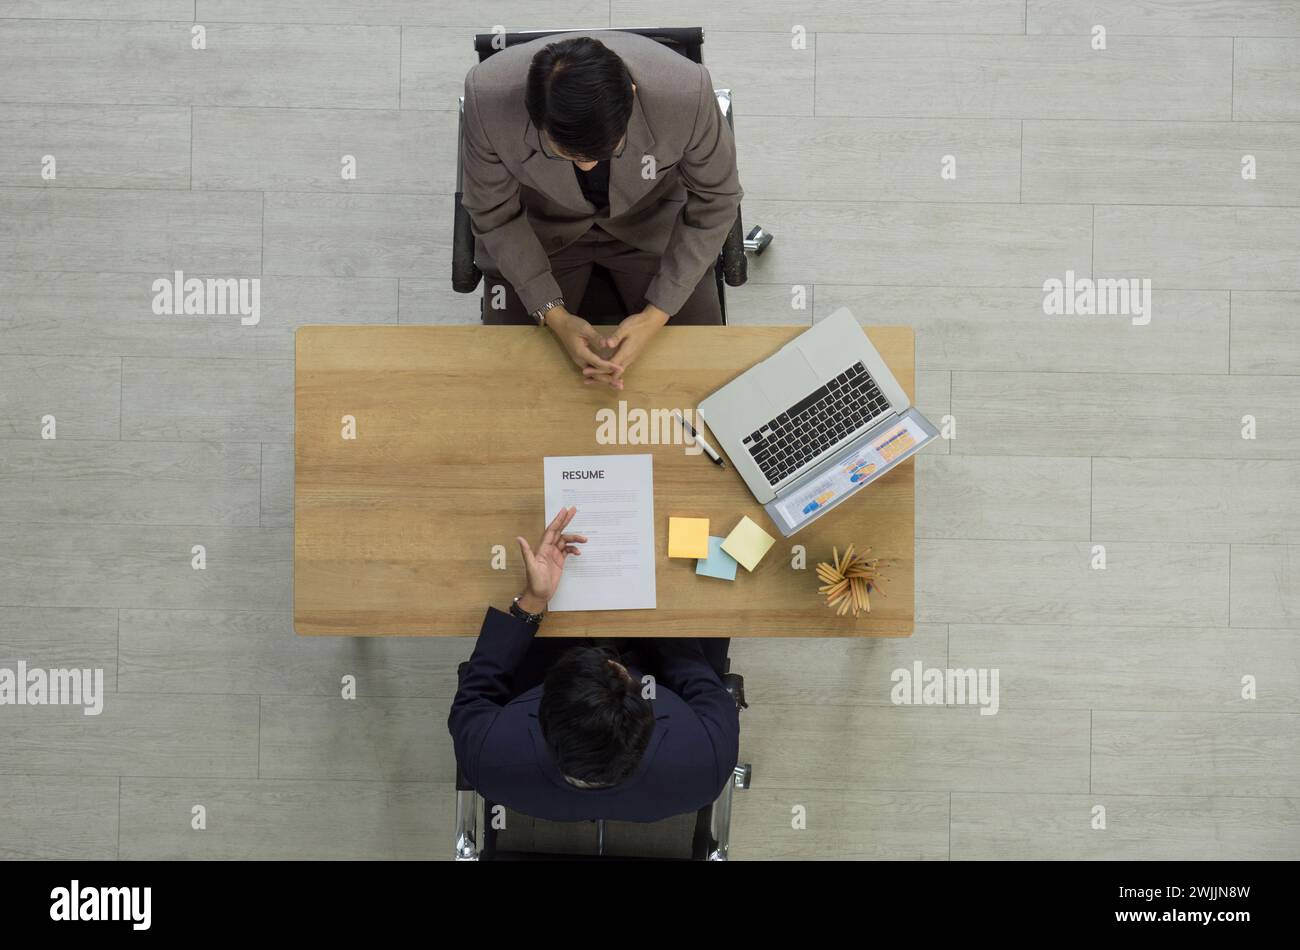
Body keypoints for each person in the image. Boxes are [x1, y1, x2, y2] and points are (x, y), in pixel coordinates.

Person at [460, 31, 744, 391]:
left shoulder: (688, 91)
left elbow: (717, 197)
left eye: (603, 151)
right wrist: (555, 314)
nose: (588, 167)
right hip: (541, 232)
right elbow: (493, 210)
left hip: (652, 228)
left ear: (633, 97)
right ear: (535, 118)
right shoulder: (487, 96)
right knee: (511, 386)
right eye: (569, 156)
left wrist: (656, 315)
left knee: (701, 377)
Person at [448, 507, 740, 822]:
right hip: (662, 662)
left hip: (548, 662)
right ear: (648, 715)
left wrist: (532, 601)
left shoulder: (487, 758)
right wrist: (659, 613)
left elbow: (477, 689)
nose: (610, 657)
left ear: (542, 716)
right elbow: (701, 681)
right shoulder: (706, 761)